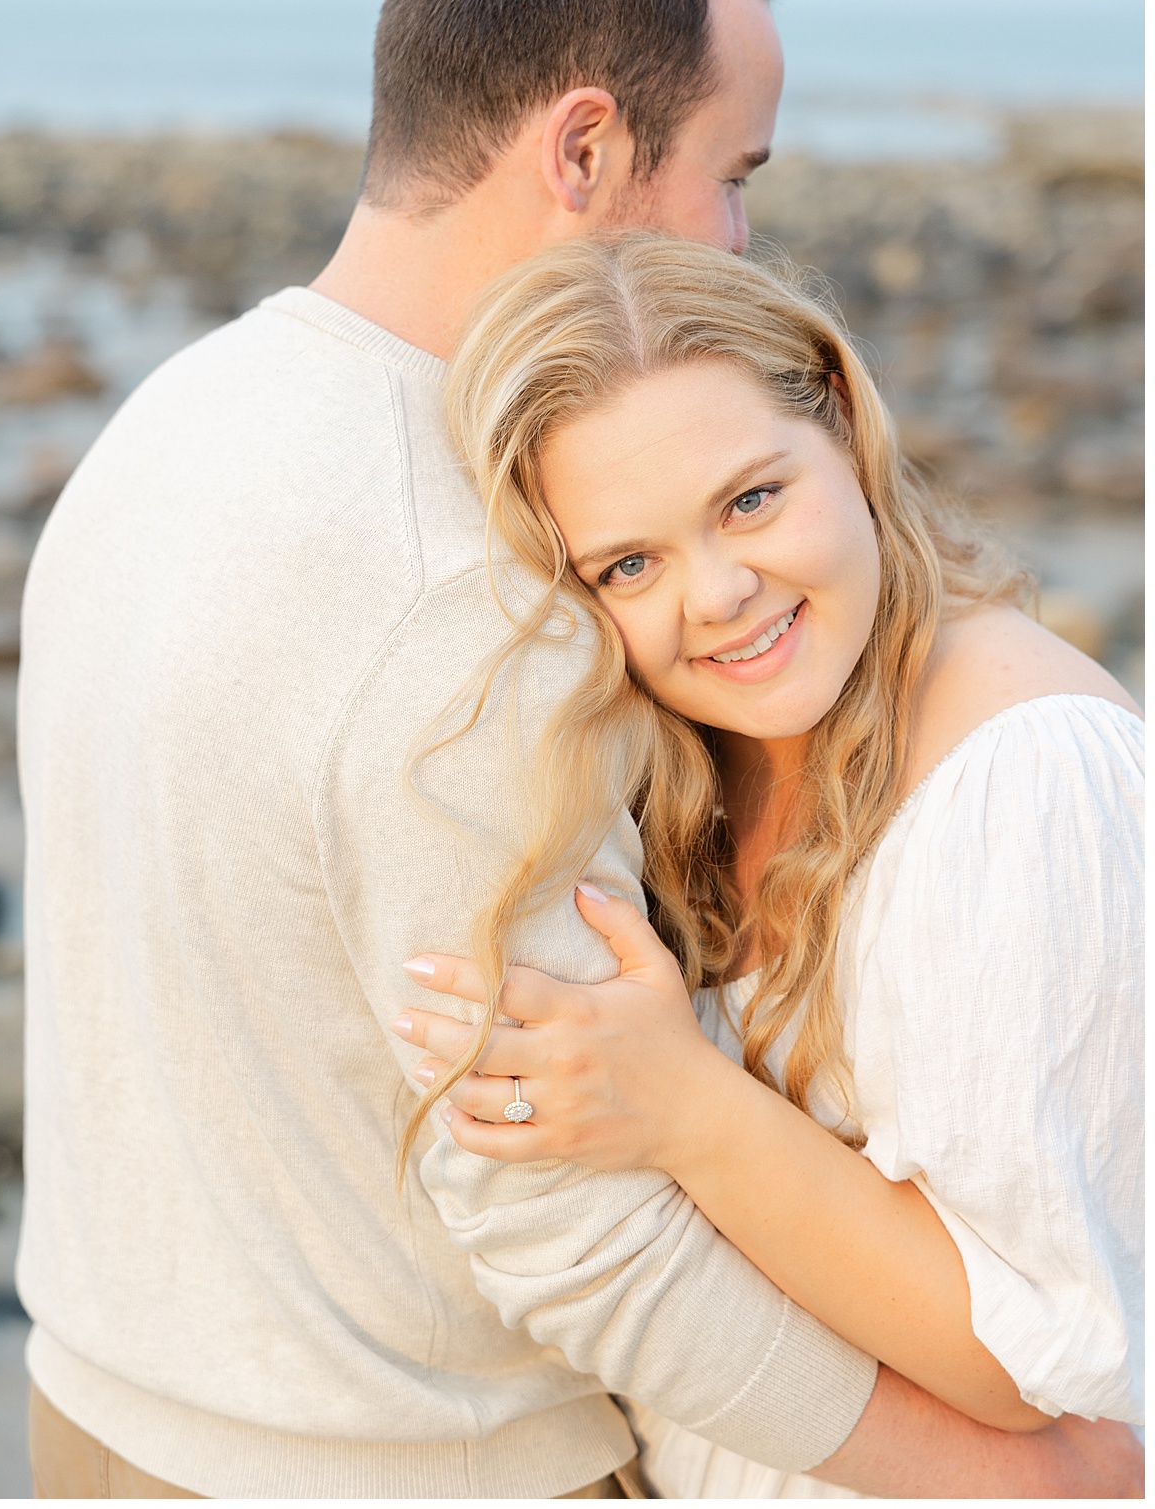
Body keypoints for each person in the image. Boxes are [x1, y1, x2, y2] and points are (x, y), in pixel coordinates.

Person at [16, 0, 1139, 1500]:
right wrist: (1020, 1473)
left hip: (97, 1398)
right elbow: (575, 1222)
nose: (740, 236)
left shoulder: (169, 419)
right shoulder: (478, 587)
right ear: (589, 144)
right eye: (734, 172)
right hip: (397, 1459)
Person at [390, 233, 1144, 1496]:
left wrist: (683, 1104)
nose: (723, 593)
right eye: (629, 565)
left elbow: (1029, 1359)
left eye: (751, 500)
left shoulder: (1025, 770)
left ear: (844, 424)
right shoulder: (695, 752)